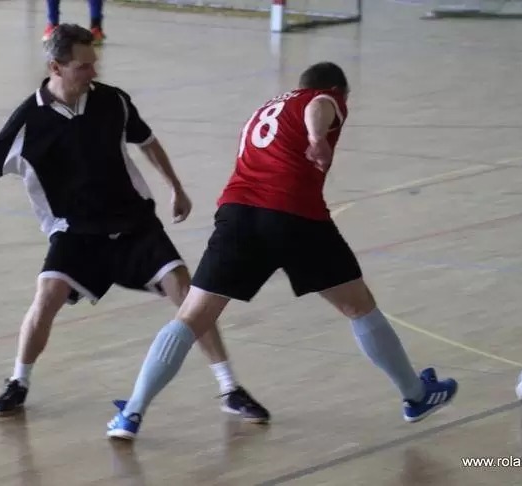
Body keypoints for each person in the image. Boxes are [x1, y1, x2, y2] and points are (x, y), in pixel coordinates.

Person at [106, 62, 459, 440]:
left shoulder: (265, 109)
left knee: (191, 318)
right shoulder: (324, 97)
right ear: (339, 91)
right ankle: (415, 395)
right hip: (294, 213)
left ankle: (133, 412)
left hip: (237, 214)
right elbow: (318, 106)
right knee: (359, 307)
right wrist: (317, 137)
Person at [0, 24, 269, 422]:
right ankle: (18, 382)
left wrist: (175, 187)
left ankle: (229, 388)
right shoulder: (28, 121)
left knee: (187, 292)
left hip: (134, 224)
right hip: (75, 232)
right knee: (47, 296)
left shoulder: (113, 100)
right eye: (84, 66)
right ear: (56, 67)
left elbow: (147, 142)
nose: (94, 71)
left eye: (94, 62)